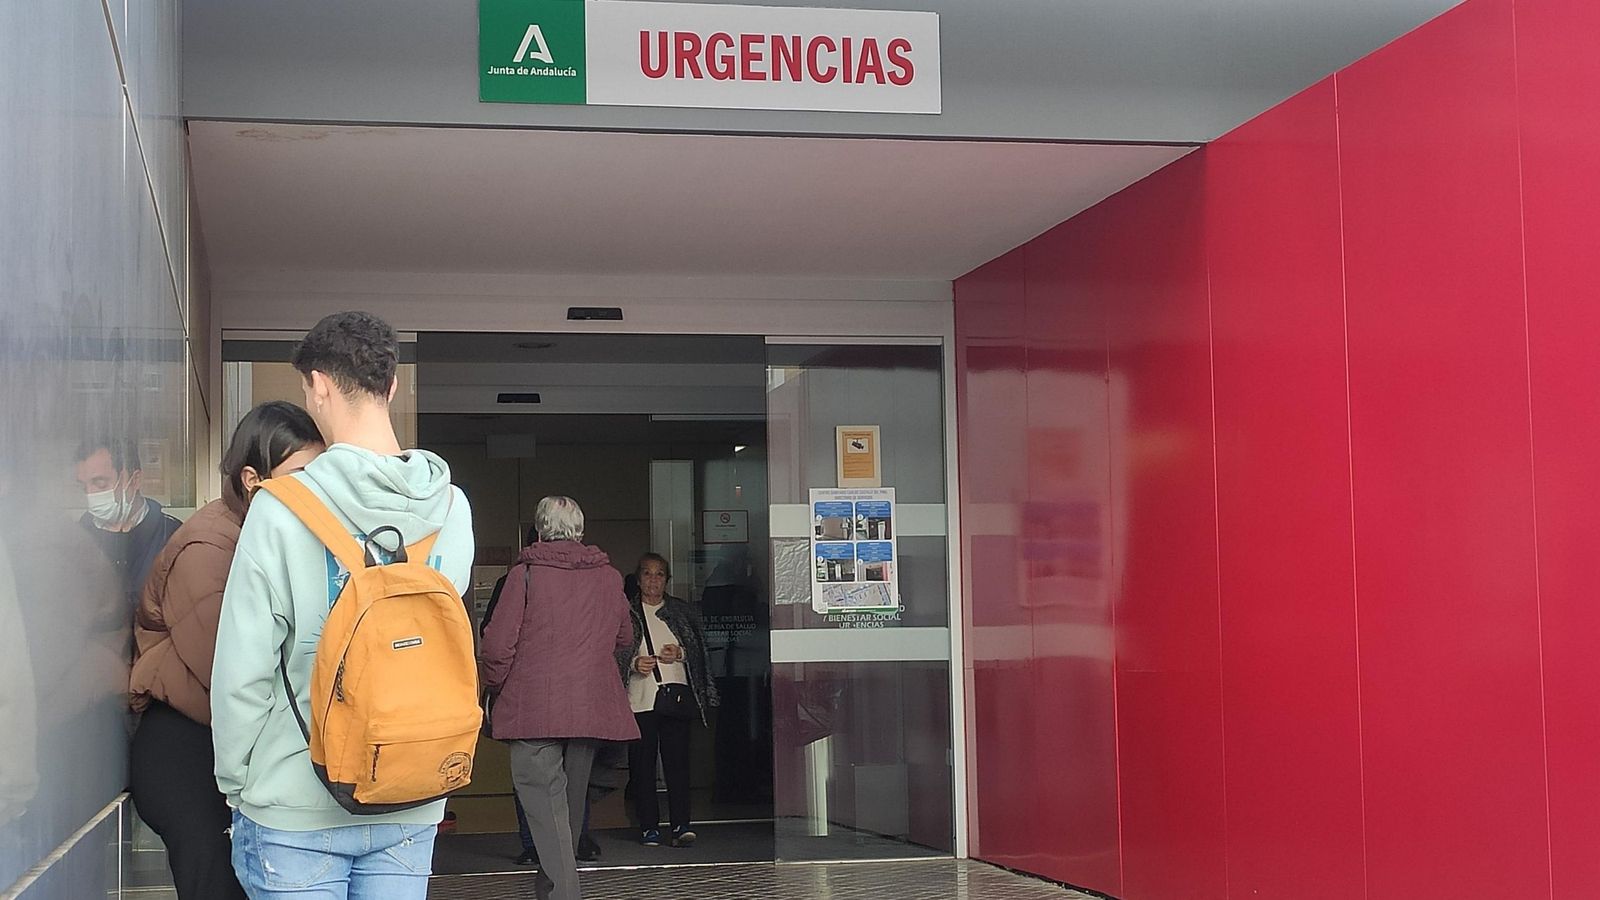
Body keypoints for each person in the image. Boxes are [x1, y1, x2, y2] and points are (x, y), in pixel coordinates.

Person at [211, 311, 475, 900]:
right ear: (394, 386)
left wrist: (239, 781)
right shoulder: (452, 508)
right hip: (409, 791)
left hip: (294, 798)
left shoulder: (280, 508)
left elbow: (243, 669)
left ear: (319, 386)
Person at [130, 402, 323, 900]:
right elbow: (233, 671)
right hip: (187, 752)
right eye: (301, 474)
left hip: (232, 745)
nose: (316, 488)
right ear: (253, 478)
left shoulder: (271, 535)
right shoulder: (208, 549)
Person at [479, 496, 638, 900]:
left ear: (540, 528)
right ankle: (550, 888)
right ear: (580, 529)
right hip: (588, 707)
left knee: (544, 809)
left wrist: (494, 687)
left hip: (533, 707)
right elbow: (625, 637)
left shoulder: (526, 575)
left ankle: (565, 893)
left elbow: (498, 646)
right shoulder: (608, 577)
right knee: (565, 809)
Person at [621, 553, 719, 848]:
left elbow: (700, 652)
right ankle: (648, 827)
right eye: (648, 574)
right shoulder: (625, 613)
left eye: (660, 574)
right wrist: (633, 664)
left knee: (678, 765)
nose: (653, 580)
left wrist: (681, 654)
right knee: (643, 767)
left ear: (667, 579)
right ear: (638, 579)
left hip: (675, 697)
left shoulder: (681, 612)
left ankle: (681, 825)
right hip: (639, 700)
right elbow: (612, 653)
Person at [74, 435, 181, 605]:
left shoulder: (172, 536)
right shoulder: (77, 539)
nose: (90, 494)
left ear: (135, 480)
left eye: (100, 483)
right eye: (84, 486)